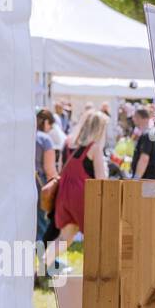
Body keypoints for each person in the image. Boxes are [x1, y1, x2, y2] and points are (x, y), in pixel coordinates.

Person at [46, 109, 108, 273]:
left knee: (65, 237)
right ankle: (96, 273)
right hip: (84, 196)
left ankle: (44, 264)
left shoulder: (67, 143)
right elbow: (101, 179)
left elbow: (60, 169)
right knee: (96, 236)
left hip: (64, 195)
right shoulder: (94, 148)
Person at [35, 109, 59, 247]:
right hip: (40, 185)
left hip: (22, 184)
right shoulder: (45, 139)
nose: (50, 129)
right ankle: (48, 263)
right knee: (44, 225)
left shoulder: (24, 135)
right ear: (45, 122)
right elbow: (50, 170)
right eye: (50, 125)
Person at [131, 106, 155, 180]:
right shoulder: (154, 133)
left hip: (147, 179)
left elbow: (144, 159)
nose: (133, 120)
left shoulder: (147, 135)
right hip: (154, 177)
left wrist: (136, 179)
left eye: (135, 117)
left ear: (139, 118)